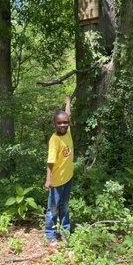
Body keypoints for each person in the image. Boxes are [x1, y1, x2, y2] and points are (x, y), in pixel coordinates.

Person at [44, 96, 74, 247]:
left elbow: (67, 114)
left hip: (68, 178)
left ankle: (65, 232)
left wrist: (68, 103)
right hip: (56, 182)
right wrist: (48, 180)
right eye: (59, 123)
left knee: (65, 206)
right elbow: (50, 162)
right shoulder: (54, 140)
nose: (63, 124)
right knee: (53, 209)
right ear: (54, 124)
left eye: (65, 122)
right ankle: (50, 235)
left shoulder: (68, 133)